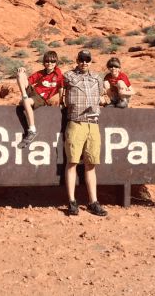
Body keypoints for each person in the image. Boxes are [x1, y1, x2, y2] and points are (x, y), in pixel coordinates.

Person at [60, 49, 108, 216]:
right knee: (72, 162)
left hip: (93, 123)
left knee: (91, 164)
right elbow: (59, 91)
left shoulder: (97, 78)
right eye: (81, 59)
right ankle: (72, 202)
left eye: (87, 60)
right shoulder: (68, 76)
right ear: (77, 60)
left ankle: (93, 202)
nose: (84, 62)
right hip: (75, 122)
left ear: (91, 61)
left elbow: (103, 96)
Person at [16, 50, 63, 146]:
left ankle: (32, 130)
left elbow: (61, 89)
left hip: (42, 99)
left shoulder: (59, 75)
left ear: (56, 63)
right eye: (47, 61)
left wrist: (62, 103)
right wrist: (22, 70)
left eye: (52, 61)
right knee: (20, 74)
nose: (50, 63)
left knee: (27, 102)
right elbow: (27, 81)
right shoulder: (40, 73)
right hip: (32, 92)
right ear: (44, 62)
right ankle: (24, 96)